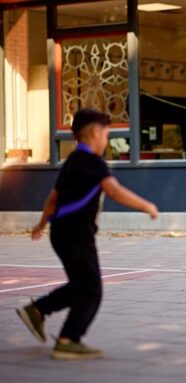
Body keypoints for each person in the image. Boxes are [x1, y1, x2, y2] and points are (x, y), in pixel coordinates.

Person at [16, 108, 158, 360]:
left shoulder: (72, 161)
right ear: (94, 132)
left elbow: (53, 197)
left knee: (82, 284)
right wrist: (146, 206)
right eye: (106, 134)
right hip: (76, 234)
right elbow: (113, 190)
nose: (106, 140)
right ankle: (68, 339)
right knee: (91, 289)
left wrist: (41, 223)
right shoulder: (92, 162)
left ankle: (38, 310)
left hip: (61, 233)